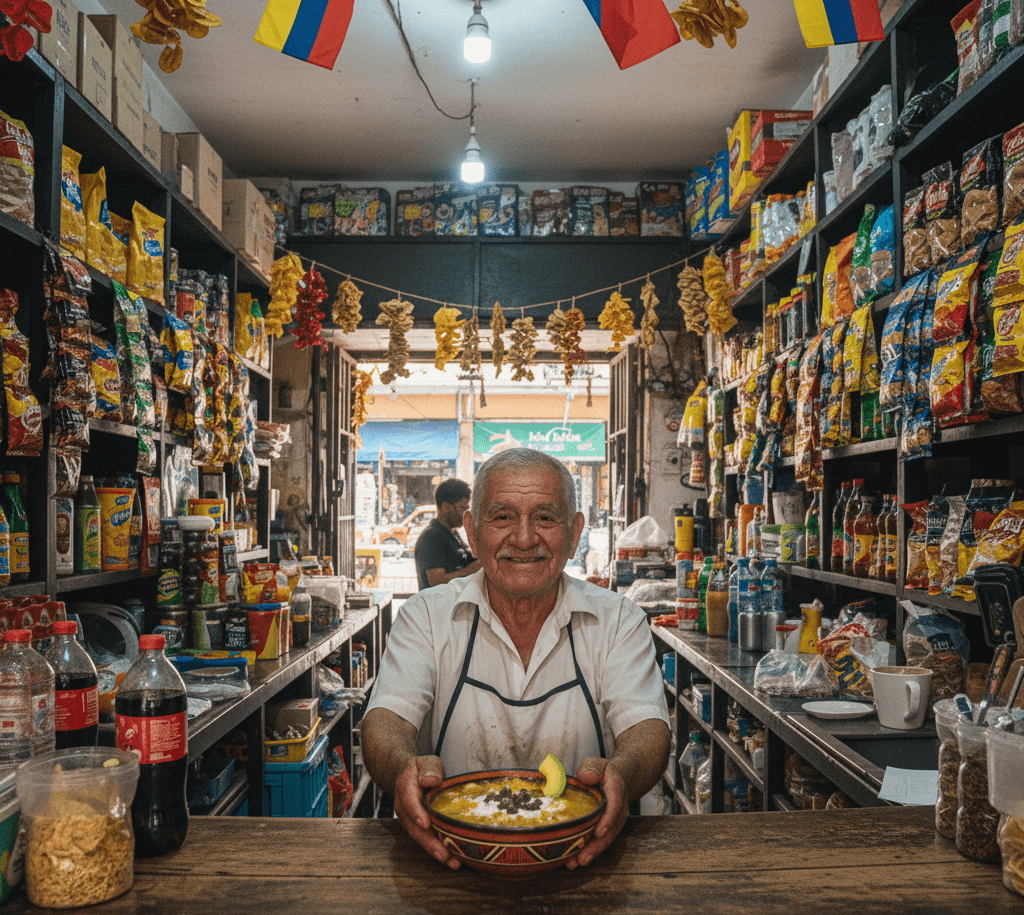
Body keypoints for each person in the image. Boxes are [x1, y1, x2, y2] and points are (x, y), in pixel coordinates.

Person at [362, 448, 670, 872]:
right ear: (472, 531)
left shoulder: (619, 620)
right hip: (451, 862)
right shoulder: (426, 616)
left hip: (586, 860)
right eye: (502, 517)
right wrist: (403, 767)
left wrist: (623, 772)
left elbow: (648, 729)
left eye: (545, 517)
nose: (524, 539)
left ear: (575, 531)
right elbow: (385, 721)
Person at [413, 478, 480, 592]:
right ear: (446, 506)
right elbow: (435, 581)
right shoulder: (432, 537)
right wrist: (469, 571)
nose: (466, 514)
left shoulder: (452, 533)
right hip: (440, 609)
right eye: (462, 508)